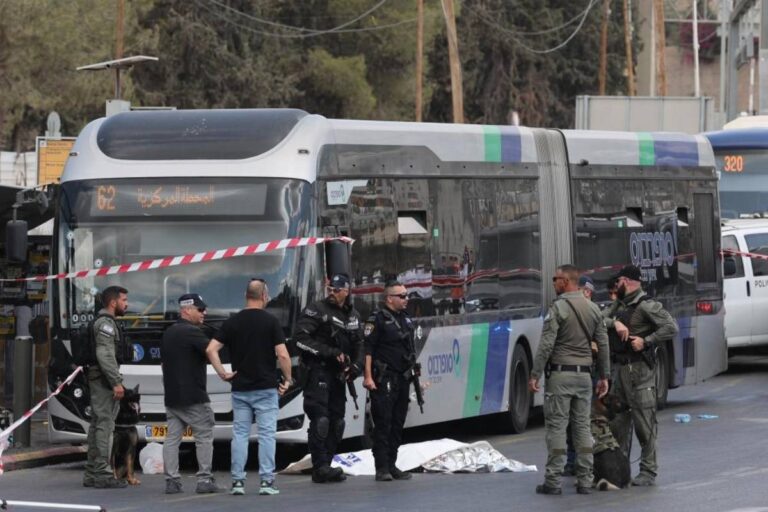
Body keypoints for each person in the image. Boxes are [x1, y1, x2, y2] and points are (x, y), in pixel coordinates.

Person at [206, 279, 292, 496]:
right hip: (265, 388)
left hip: (240, 388)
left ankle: (237, 482)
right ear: (264, 296)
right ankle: (266, 482)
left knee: (240, 435)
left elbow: (211, 349)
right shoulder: (271, 321)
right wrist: (288, 379)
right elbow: (282, 355)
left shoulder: (232, 322)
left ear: (246, 296)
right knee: (266, 435)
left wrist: (223, 373)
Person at [529, 265, 610, 496]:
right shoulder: (593, 308)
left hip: (560, 376)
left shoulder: (558, 308)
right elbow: (603, 344)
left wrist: (535, 374)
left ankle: (553, 481)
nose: (553, 283)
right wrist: (604, 376)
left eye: (555, 279)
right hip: (584, 376)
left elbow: (546, 345)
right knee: (582, 428)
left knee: (557, 428)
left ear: (565, 281)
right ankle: (585, 480)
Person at [603, 265, 678, 487]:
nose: (616, 286)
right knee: (617, 424)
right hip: (620, 371)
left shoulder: (646, 305)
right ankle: (620, 470)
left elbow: (671, 327)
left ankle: (648, 471)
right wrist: (614, 322)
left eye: (618, 282)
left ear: (626, 281)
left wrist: (646, 341)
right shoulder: (619, 305)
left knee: (644, 424)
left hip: (640, 372)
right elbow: (598, 319)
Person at [295, 274, 363, 484]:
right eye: (330, 289)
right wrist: (330, 352)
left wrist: (356, 367)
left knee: (337, 422)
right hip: (318, 372)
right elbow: (300, 339)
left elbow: (360, 344)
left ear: (346, 291)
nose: (332, 292)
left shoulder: (353, 315)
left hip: (339, 375)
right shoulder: (316, 309)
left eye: (337, 289)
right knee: (321, 419)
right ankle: (320, 467)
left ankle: (327, 463)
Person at [161, 294, 221, 495]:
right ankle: (204, 479)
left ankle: (172, 481)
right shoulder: (192, 332)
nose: (204, 313)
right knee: (204, 435)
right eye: (200, 310)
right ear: (187, 310)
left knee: (172, 438)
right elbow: (212, 350)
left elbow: (165, 364)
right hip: (194, 396)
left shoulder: (169, 332)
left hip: (172, 396)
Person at [363, 280, 417, 482]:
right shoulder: (376, 319)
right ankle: (382, 467)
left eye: (406, 295)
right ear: (389, 299)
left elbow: (410, 347)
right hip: (384, 379)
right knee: (383, 423)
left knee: (397, 423)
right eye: (402, 296)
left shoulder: (405, 318)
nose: (406, 299)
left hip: (403, 378)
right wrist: (368, 377)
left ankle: (392, 464)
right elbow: (368, 350)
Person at [83, 285, 129, 489]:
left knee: (97, 424)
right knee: (105, 425)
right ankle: (102, 473)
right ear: (113, 302)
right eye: (124, 300)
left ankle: (92, 472)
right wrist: (116, 382)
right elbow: (105, 354)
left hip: (100, 378)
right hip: (103, 380)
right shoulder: (105, 324)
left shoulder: (104, 322)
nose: (127, 304)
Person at [563, 273, 597, 477]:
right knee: (569, 422)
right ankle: (572, 461)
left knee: (582, 422)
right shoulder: (567, 311)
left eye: (585, 291)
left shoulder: (593, 313)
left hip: (587, 374)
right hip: (572, 374)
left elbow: (603, 344)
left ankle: (583, 464)